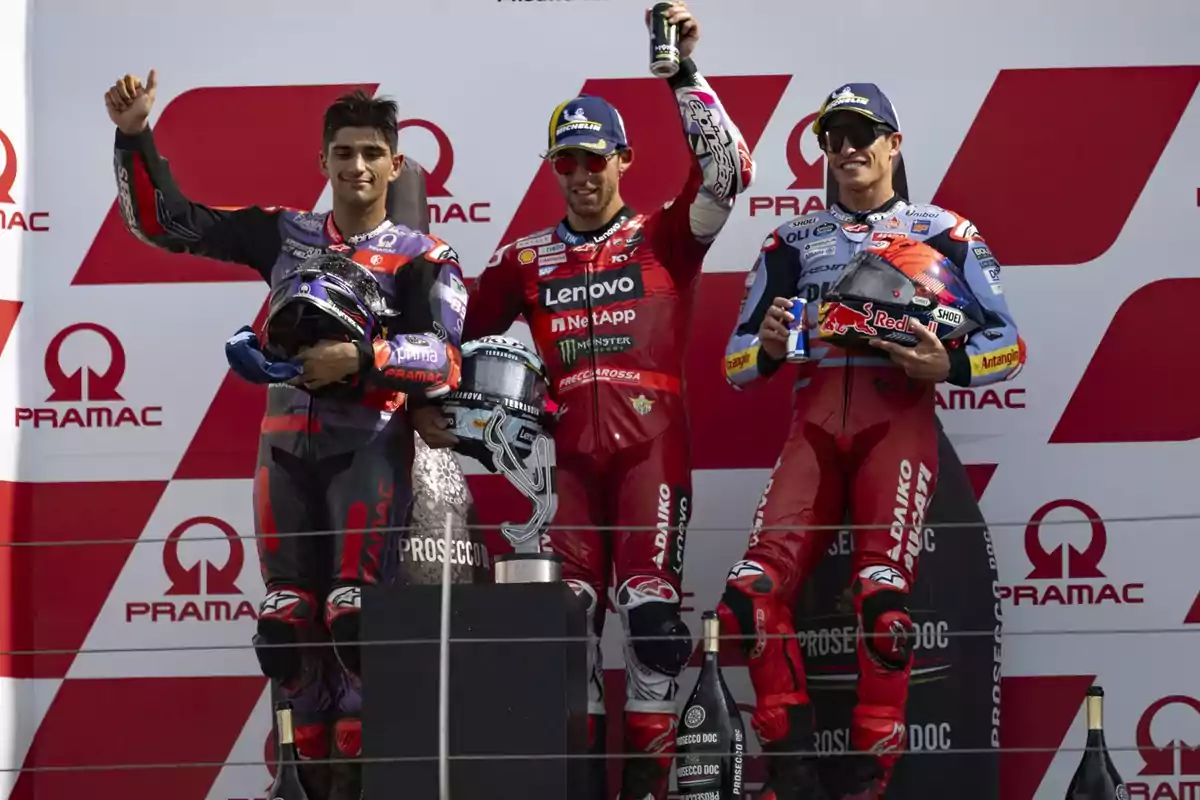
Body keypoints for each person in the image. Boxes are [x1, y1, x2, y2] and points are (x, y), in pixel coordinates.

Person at [414, 3, 753, 797]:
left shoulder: (665, 236)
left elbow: (731, 174)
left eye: (595, 161)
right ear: (554, 167)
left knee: (655, 632)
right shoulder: (526, 258)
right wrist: (421, 392)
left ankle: (646, 782)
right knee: (560, 636)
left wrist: (686, 77)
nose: (581, 175)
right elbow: (451, 328)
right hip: (560, 468)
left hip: (650, 459)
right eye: (566, 162)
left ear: (624, 161)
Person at [103, 72, 468, 800]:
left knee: (353, 619)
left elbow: (448, 355)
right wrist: (135, 135)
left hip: (368, 442)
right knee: (285, 627)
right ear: (323, 162)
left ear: (395, 166)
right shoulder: (285, 232)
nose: (355, 168)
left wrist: (361, 357)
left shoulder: (426, 256)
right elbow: (167, 223)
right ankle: (300, 784)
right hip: (282, 441)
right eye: (342, 153)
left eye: (370, 154)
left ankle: (369, 784)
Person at [716, 83, 1025, 800]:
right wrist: (764, 348)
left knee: (883, 602)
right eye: (834, 137)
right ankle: (789, 764)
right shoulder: (790, 241)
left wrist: (948, 364)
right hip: (814, 423)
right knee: (748, 594)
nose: (848, 148)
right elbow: (735, 366)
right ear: (823, 151)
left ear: (895, 143)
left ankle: (870, 769)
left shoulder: (945, 230)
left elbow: (1009, 343)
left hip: (899, 420)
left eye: (863, 133)